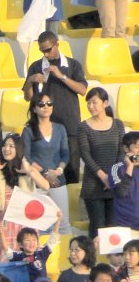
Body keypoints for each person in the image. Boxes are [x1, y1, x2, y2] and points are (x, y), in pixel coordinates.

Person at [23, 31, 87, 185]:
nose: (45, 53)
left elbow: (83, 90)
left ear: (57, 44)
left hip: (70, 124)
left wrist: (62, 76)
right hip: (43, 125)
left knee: (71, 170)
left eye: (48, 49)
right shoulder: (36, 66)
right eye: (42, 50)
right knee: (43, 168)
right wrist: (31, 80)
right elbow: (28, 97)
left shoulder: (72, 65)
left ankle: (69, 208)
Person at [0, 133, 50, 262]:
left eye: (11, 146)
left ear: (19, 149)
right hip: (3, 221)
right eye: (4, 145)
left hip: (24, 221)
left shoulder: (27, 169)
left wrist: (28, 171)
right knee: (2, 260)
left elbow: (45, 186)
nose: (6, 149)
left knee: (26, 259)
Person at [22, 92, 73, 234]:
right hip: (37, 182)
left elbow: (65, 153)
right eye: (41, 104)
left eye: (49, 104)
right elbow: (26, 157)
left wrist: (58, 171)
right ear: (34, 109)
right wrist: (44, 173)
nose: (46, 107)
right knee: (41, 225)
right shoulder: (28, 130)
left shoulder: (60, 128)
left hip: (58, 180)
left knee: (62, 222)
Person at [79, 87, 125, 238]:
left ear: (105, 103)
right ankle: (95, 260)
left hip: (115, 184)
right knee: (97, 227)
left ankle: (113, 262)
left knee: (113, 228)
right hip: (93, 185)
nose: (90, 106)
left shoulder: (118, 125)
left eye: (94, 102)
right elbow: (85, 154)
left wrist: (112, 177)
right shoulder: (84, 127)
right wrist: (103, 177)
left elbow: (122, 151)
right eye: (88, 103)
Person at [5, 213, 63, 282]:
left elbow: (52, 240)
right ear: (20, 244)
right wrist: (22, 263)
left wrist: (58, 221)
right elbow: (7, 251)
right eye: (28, 240)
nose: (31, 243)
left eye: (34, 240)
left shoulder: (41, 253)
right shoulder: (19, 256)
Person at [108, 131, 139, 232]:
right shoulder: (117, 168)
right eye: (137, 147)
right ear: (126, 148)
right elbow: (121, 192)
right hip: (126, 224)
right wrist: (130, 167)